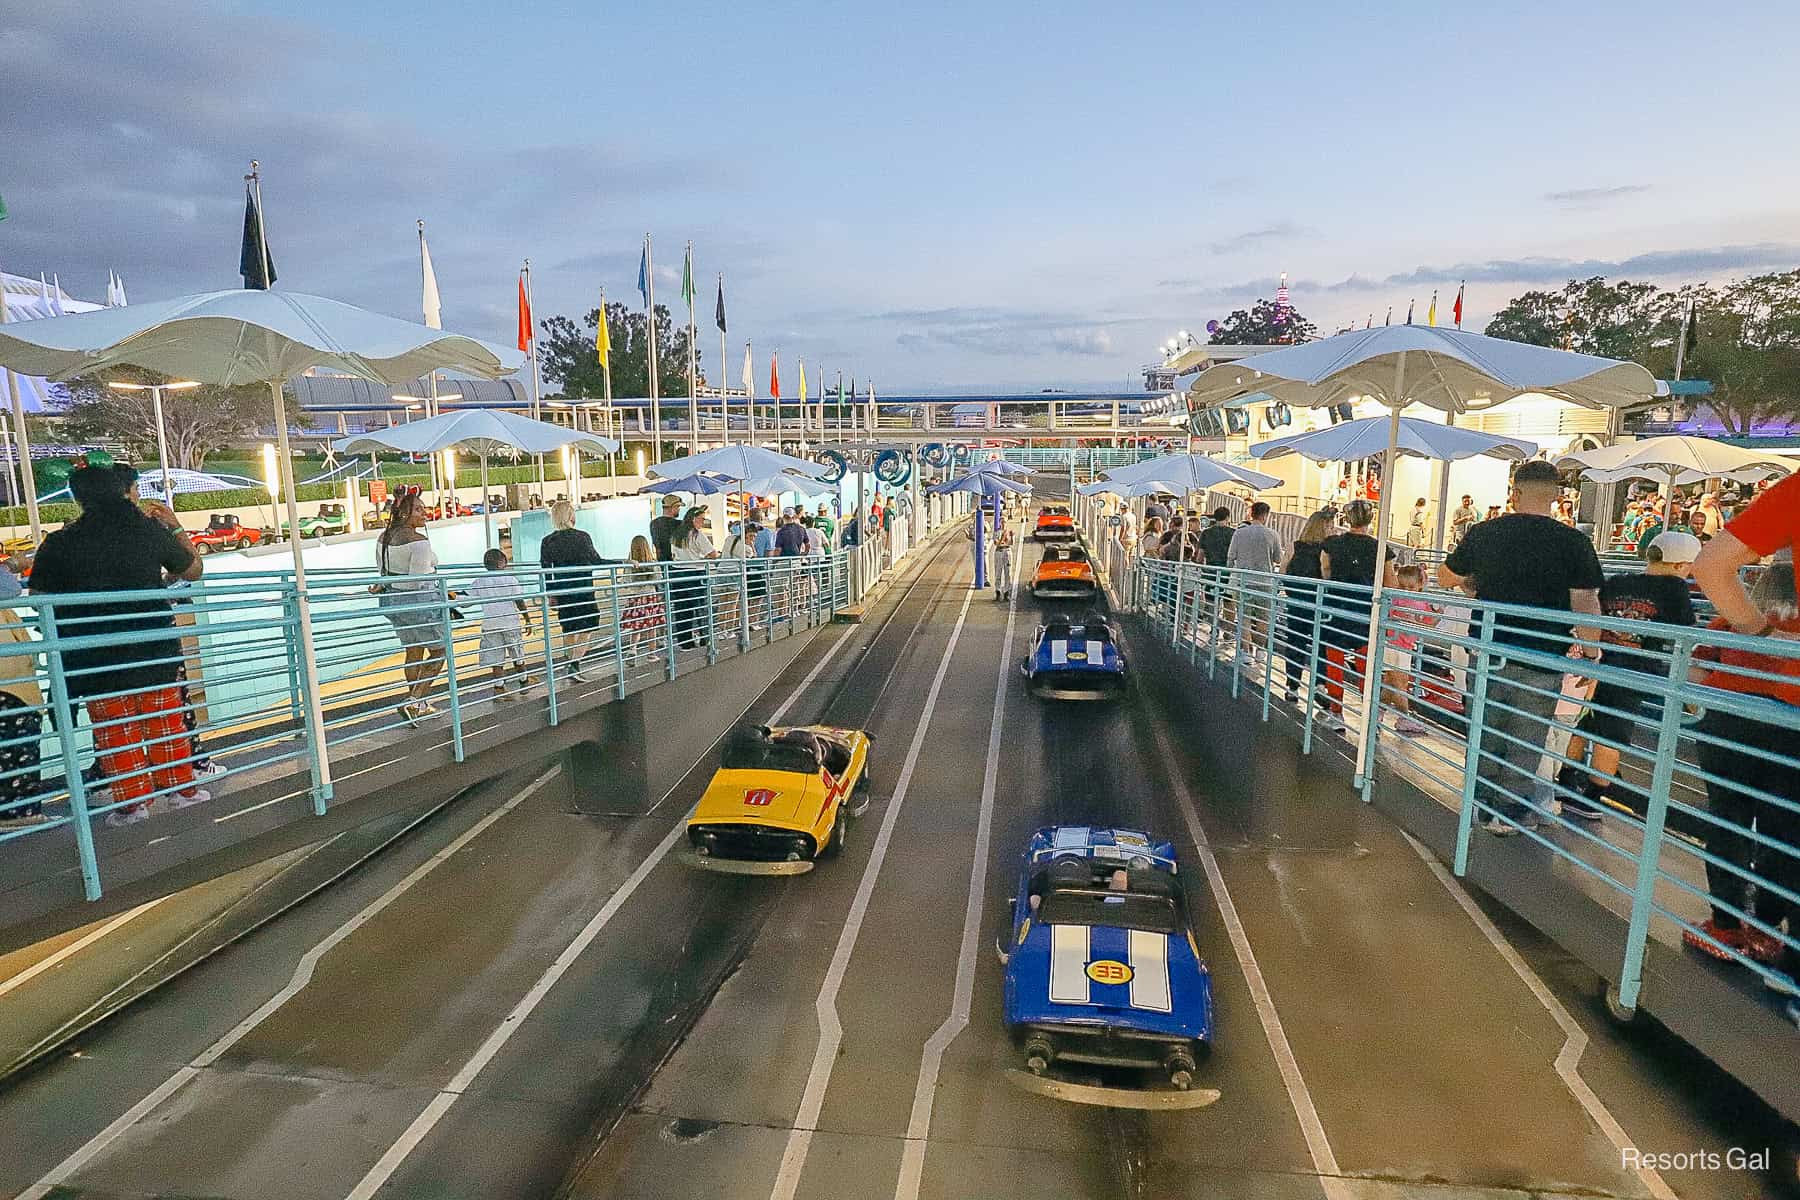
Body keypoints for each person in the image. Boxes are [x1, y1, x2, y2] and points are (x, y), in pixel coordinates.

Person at [28, 463, 209, 824]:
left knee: (116, 732)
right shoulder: (146, 531)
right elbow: (192, 570)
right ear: (120, 491)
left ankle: (133, 806)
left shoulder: (62, 541)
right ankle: (183, 793)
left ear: (78, 499)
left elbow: (38, 598)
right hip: (152, 646)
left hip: (96, 653)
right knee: (165, 722)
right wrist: (174, 527)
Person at [1439, 460, 1604, 835]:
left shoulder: (1485, 532)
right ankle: (1507, 813)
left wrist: (1472, 584)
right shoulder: (1574, 542)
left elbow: (1445, 576)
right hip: (1543, 655)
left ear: (1514, 492)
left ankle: (1481, 806)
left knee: (1485, 731)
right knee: (1526, 741)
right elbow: (1585, 602)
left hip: (1489, 650)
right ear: (1556, 495)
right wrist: (1591, 653)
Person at [1686, 558, 1800, 983]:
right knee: (1782, 830)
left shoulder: (1735, 621)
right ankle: (1766, 925)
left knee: (1727, 820)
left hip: (1727, 726)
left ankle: (1726, 925)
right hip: (1789, 733)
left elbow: (1695, 670)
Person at [1556, 531, 1699, 820]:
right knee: (1612, 736)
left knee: (1583, 723)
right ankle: (1593, 797)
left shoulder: (1619, 581)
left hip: (1597, 661)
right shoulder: (1674, 589)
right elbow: (1684, 630)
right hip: (1633, 671)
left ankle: (1564, 781)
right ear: (1680, 565)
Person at [370, 490, 447, 726]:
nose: (425, 514)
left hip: (394, 603)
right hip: (420, 606)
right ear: (404, 513)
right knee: (440, 651)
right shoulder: (419, 542)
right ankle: (414, 701)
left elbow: (383, 572)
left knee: (413, 652)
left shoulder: (383, 537)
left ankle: (418, 705)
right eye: (419, 510)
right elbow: (417, 581)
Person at [1317, 499, 1390, 735]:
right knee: (1367, 666)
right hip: (1366, 612)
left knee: (1334, 662)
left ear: (1347, 519)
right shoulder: (1380, 548)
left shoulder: (1332, 544)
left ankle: (1336, 712)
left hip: (1337, 608)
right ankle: (1370, 719)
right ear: (1371, 519)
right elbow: (1390, 582)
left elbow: (1325, 571)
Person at [540, 499, 607, 683]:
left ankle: (570, 663)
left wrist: (551, 594)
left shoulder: (547, 541)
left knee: (569, 629)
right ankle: (575, 664)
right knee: (588, 626)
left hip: (562, 591)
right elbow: (597, 561)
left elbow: (546, 570)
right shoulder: (582, 537)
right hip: (583, 590)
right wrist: (624, 562)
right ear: (570, 515)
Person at [1280, 508, 1335, 704]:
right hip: (1318, 604)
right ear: (1323, 527)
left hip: (1296, 602)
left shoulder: (1294, 546)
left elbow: (1283, 571)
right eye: (1330, 526)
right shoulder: (1325, 550)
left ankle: (1292, 686)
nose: (1333, 530)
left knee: (1295, 643)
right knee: (1320, 644)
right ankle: (1320, 685)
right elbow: (1326, 573)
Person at [0, 601, 44, 827]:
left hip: (16, 686)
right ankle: (18, 815)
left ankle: (20, 813)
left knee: (18, 748)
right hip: (12, 685)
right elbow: (11, 588)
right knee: (19, 747)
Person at [464, 548, 530, 701]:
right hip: (510, 624)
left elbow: (465, 600)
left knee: (496, 658)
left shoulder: (479, 581)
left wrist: (451, 596)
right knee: (517, 653)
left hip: (491, 625)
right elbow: (519, 601)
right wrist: (527, 618)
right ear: (503, 563)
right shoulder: (510, 579)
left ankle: (499, 687)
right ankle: (523, 680)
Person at [1382, 563, 1438, 737]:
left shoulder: (1416, 602)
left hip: (1399, 646)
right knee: (1400, 684)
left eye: (1411, 587)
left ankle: (1377, 712)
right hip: (1395, 645)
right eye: (1402, 586)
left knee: (1391, 683)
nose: (1406, 590)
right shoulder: (1403, 600)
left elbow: (1427, 624)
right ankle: (1404, 717)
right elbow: (1427, 624)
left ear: (1420, 585)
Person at [1227, 502, 1283, 657]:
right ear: (1265, 515)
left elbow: (1231, 557)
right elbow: (1278, 559)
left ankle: (1246, 651)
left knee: (1244, 616)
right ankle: (1260, 650)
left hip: (1244, 581)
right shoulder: (1272, 534)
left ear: (1251, 514)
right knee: (1263, 618)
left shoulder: (1239, 533)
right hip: (1265, 582)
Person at [670, 506, 718, 648]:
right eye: (701, 519)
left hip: (677, 573)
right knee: (701, 607)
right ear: (693, 519)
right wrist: (703, 558)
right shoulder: (697, 535)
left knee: (682, 609)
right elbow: (713, 554)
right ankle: (704, 639)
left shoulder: (676, 534)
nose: (703, 522)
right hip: (695, 573)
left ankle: (685, 642)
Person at [621, 534, 666, 662]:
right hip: (650, 596)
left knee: (636, 626)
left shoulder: (630, 565)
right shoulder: (652, 563)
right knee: (652, 626)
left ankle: (632, 650)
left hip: (635, 597)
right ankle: (652, 654)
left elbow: (626, 581)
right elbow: (658, 579)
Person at [649, 494, 685, 562]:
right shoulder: (679, 524)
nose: (679, 509)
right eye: (678, 506)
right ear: (672, 507)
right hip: (676, 564)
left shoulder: (653, 523)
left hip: (661, 562)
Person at [992, 522, 1017, 601]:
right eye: (1002, 522)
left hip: (1007, 551)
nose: (1003, 524)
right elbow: (997, 544)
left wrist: (1011, 537)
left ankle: (1006, 592)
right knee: (998, 572)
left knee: (1008, 573)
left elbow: (1011, 543)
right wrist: (1003, 538)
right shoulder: (996, 532)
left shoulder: (1010, 531)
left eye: (1004, 522)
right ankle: (998, 591)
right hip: (999, 552)